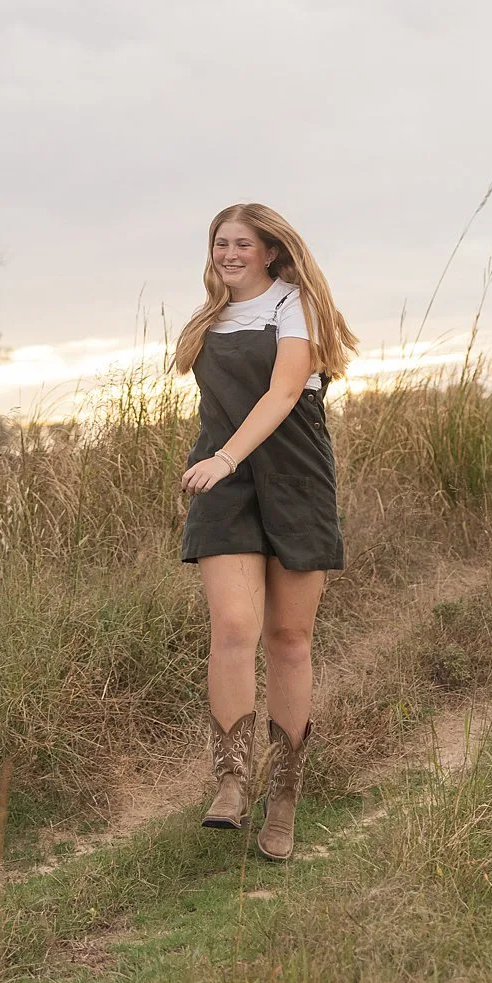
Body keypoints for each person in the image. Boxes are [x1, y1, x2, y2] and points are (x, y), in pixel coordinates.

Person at [176, 203, 358, 861]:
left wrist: (228, 456)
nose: (228, 254)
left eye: (241, 244)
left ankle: (283, 797)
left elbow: (283, 396)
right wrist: (220, 462)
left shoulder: (295, 305)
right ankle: (231, 780)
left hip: (293, 473)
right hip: (223, 479)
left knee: (287, 638)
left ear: (270, 253)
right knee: (231, 627)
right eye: (220, 243)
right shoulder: (208, 319)